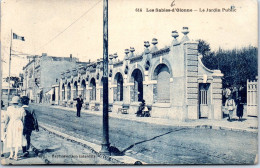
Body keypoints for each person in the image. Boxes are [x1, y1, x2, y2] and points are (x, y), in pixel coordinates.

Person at [5, 96, 27, 160]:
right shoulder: (22, 109)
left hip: (11, 124)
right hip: (19, 125)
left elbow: (7, 118)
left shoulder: (9, 108)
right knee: (18, 137)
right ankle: (15, 155)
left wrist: (5, 126)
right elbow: (24, 120)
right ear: (18, 102)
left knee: (10, 137)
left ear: (12, 102)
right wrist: (23, 127)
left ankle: (11, 154)